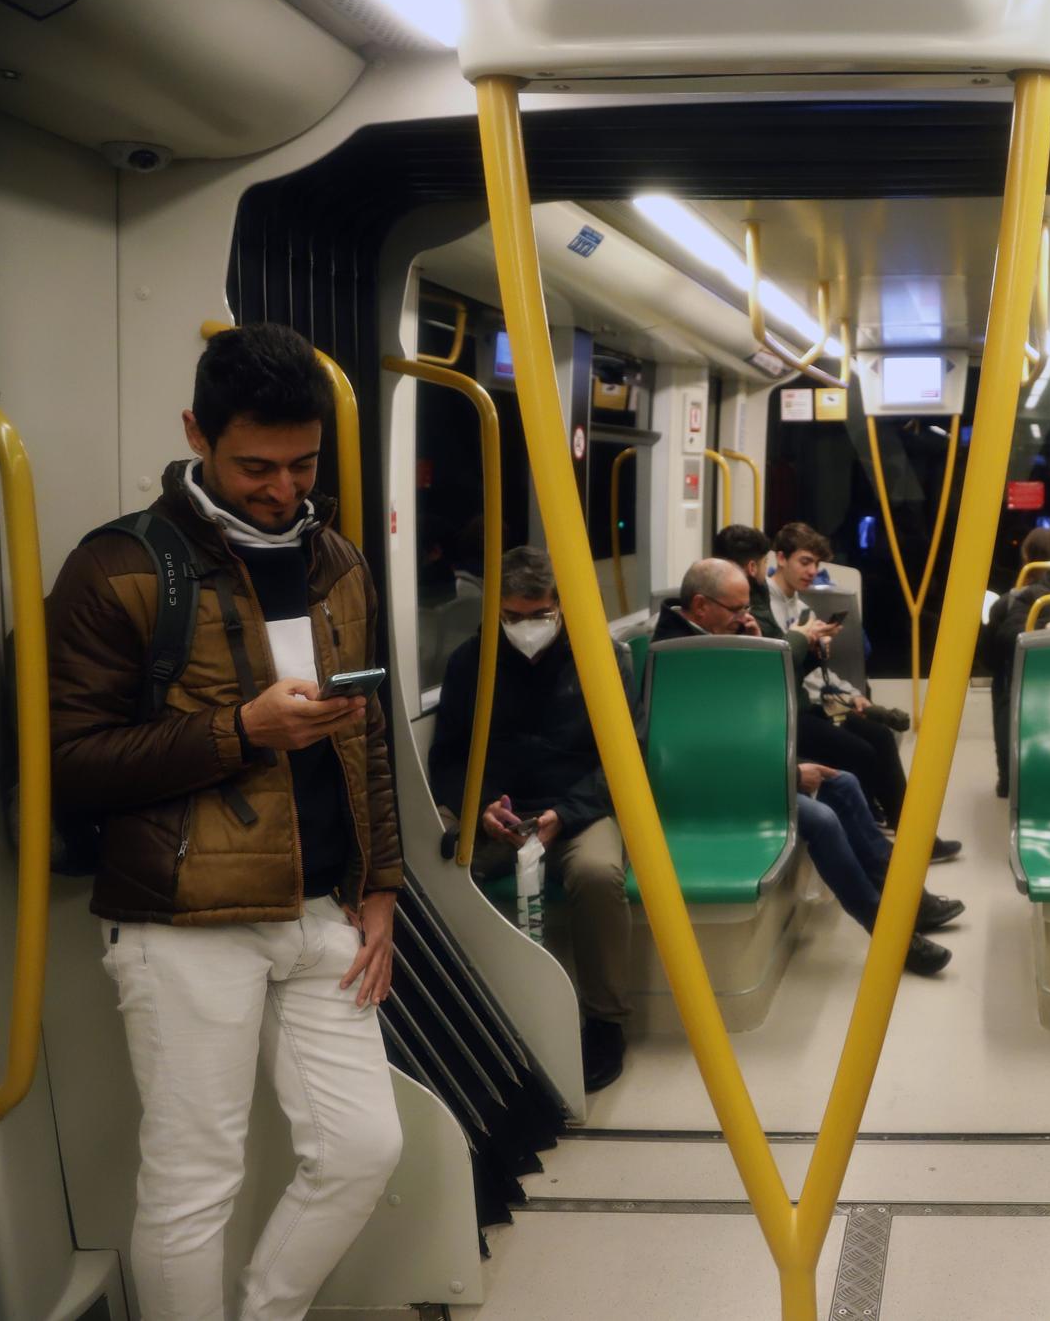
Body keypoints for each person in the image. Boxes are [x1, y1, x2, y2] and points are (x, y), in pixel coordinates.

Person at [48, 322, 404, 1320]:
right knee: (195, 1174)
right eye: (256, 465)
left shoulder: (335, 560)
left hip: (321, 907)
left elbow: (364, 740)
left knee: (363, 1146)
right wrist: (241, 729)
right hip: (181, 917)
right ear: (197, 432)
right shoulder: (119, 567)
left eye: (302, 466)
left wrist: (380, 887)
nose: (282, 490)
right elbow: (67, 766)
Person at [654, 559, 960, 974]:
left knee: (846, 782)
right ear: (701, 605)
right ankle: (894, 937)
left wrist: (758, 650)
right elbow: (707, 753)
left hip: (749, 769)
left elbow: (757, 722)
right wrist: (791, 776)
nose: (745, 618)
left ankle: (911, 903)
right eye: (737, 610)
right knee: (823, 819)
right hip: (714, 788)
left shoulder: (720, 640)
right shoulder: (680, 659)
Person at [428, 546, 638, 1091]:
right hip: (501, 807)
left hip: (578, 805)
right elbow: (448, 755)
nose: (526, 627)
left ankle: (606, 1022)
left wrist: (564, 815)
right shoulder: (469, 662)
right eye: (513, 616)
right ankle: (476, 1015)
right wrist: (480, 807)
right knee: (449, 874)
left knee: (596, 875)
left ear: (560, 606)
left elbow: (621, 758)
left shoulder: (604, 658)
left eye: (537, 614)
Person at [715, 522, 962, 862]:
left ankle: (913, 835)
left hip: (806, 699)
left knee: (880, 735)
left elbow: (801, 672)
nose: (812, 571)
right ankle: (872, 844)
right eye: (804, 562)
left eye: (816, 564)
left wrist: (823, 658)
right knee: (858, 751)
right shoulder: (756, 607)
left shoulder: (801, 608)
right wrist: (805, 641)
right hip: (786, 710)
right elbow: (775, 668)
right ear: (780, 559)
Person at [981, 526, 1050, 797]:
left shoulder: (1006, 603)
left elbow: (990, 656)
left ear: (1025, 556)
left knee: (1002, 692)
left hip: (1012, 680)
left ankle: (1007, 777)